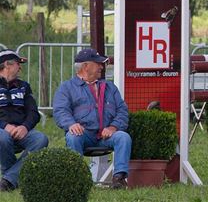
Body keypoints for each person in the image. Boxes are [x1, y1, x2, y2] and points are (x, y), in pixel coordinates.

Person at [53, 48, 131, 189]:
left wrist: (113, 127)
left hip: (106, 135)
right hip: (84, 134)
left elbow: (122, 111)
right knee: (73, 136)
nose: (101, 67)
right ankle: (77, 180)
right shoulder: (66, 88)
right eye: (98, 64)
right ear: (85, 66)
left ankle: (119, 178)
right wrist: (71, 124)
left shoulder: (110, 87)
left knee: (123, 137)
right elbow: (60, 111)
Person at [0, 49, 48, 192]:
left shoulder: (24, 86)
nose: (20, 67)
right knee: (2, 137)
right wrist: (5, 126)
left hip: (22, 131)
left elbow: (33, 112)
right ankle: (12, 178)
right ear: (7, 65)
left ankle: (9, 179)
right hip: (2, 131)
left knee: (41, 139)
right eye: (17, 64)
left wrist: (25, 127)